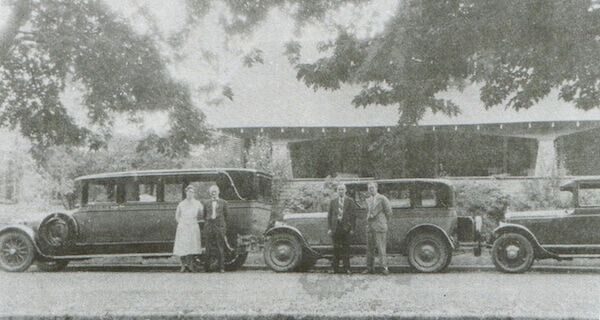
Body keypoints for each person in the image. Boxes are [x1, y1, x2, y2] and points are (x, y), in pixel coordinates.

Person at [327, 183, 357, 274]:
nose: (341, 191)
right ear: (337, 191)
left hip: (346, 228)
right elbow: (329, 216)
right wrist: (329, 228)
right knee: (335, 249)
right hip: (335, 228)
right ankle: (334, 268)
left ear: (345, 190)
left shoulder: (350, 201)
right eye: (339, 189)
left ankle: (347, 268)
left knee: (346, 249)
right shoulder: (333, 201)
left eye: (342, 189)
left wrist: (352, 228)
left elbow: (353, 216)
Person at [173, 185, 203, 272]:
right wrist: (181, 223)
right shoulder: (181, 204)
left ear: (194, 193)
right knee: (182, 246)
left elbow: (202, 213)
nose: (190, 194)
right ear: (186, 193)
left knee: (191, 245)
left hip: (193, 226)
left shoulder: (197, 203)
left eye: (192, 192)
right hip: (183, 227)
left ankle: (190, 265)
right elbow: (177, 216)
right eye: (188, 192)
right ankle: (183, 265)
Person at [364, 182, 392, 275]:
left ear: (376, 188)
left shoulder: (382, 198)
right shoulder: (367, 200)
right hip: (370, 226)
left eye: (372, 188)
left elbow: (389, 212)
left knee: (381, 248)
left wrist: (383, 222)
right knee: (369, 248)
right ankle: (370, 268)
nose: (370, 189)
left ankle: (384, 268)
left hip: (380, 227)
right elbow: (368, 212)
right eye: (369, 188)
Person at [203, 185, 228, 273]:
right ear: (210, 193)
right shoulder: (206, 203)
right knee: (208, 247)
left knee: (220, 247)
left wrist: (222, 226)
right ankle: (207, 268)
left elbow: (226, 216)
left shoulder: (224, 202)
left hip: (219, 227)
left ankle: (221, 267)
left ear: (218, 192)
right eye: (212, 191)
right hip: (209, 226)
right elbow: (204, 215)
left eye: (215, 191)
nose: (213, 193)